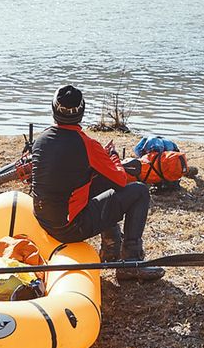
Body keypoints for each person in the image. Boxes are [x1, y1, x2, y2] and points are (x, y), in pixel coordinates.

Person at [30, 85, 163, 282]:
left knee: (97, 181)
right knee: (139, 192)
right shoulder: (87, 144)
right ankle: (130, 263)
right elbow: (120, 179)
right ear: (81, 113)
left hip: (44, 220)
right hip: (69, 228)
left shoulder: (41, 140)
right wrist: (113, 157)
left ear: (53, 110)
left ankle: (111, 248)